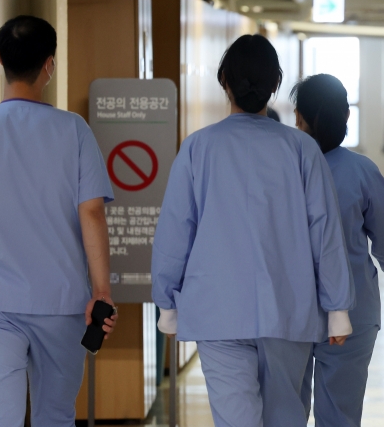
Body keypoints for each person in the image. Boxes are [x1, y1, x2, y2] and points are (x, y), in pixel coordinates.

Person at [151, 35, 355, 427]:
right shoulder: (302, 150)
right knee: (285, 417)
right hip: (289, 309)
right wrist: (337, 307)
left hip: (217, 310)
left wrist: (167, 301)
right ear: (274, 85)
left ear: (223, 81)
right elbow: (324, 230)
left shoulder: (197, 149)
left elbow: (176, 230)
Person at [0, 15, 117, 427]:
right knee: (55, 414)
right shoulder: (74, 131)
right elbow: (92, 213)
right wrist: (101, 290)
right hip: (62, 303)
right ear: (50, 65)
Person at [292, 74, 384, 427]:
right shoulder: (362, 171)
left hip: (288, 311)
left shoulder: (283, 170)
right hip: (352, 310)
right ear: (346, 117)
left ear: (299, 118)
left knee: (285, 410)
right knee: (340, 413)